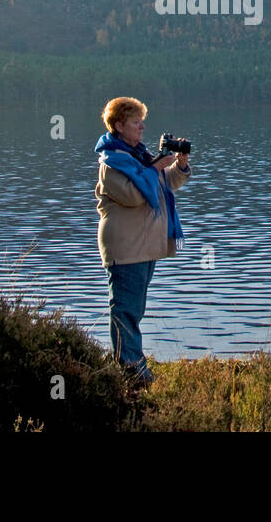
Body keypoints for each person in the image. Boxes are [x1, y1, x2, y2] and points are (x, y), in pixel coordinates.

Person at [94, 96, 191, 386]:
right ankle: (132, 372)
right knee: (126, 309)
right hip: (125, 247)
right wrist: (156, 167)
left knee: (134, 309)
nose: (142, 126)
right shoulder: (111, 163)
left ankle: (131, 366)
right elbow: (135, 196)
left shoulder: (138, 156)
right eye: (136, 122)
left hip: (143, 246)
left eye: (142, 120)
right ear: (119, 126)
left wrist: (179, 166)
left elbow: (162, 185)